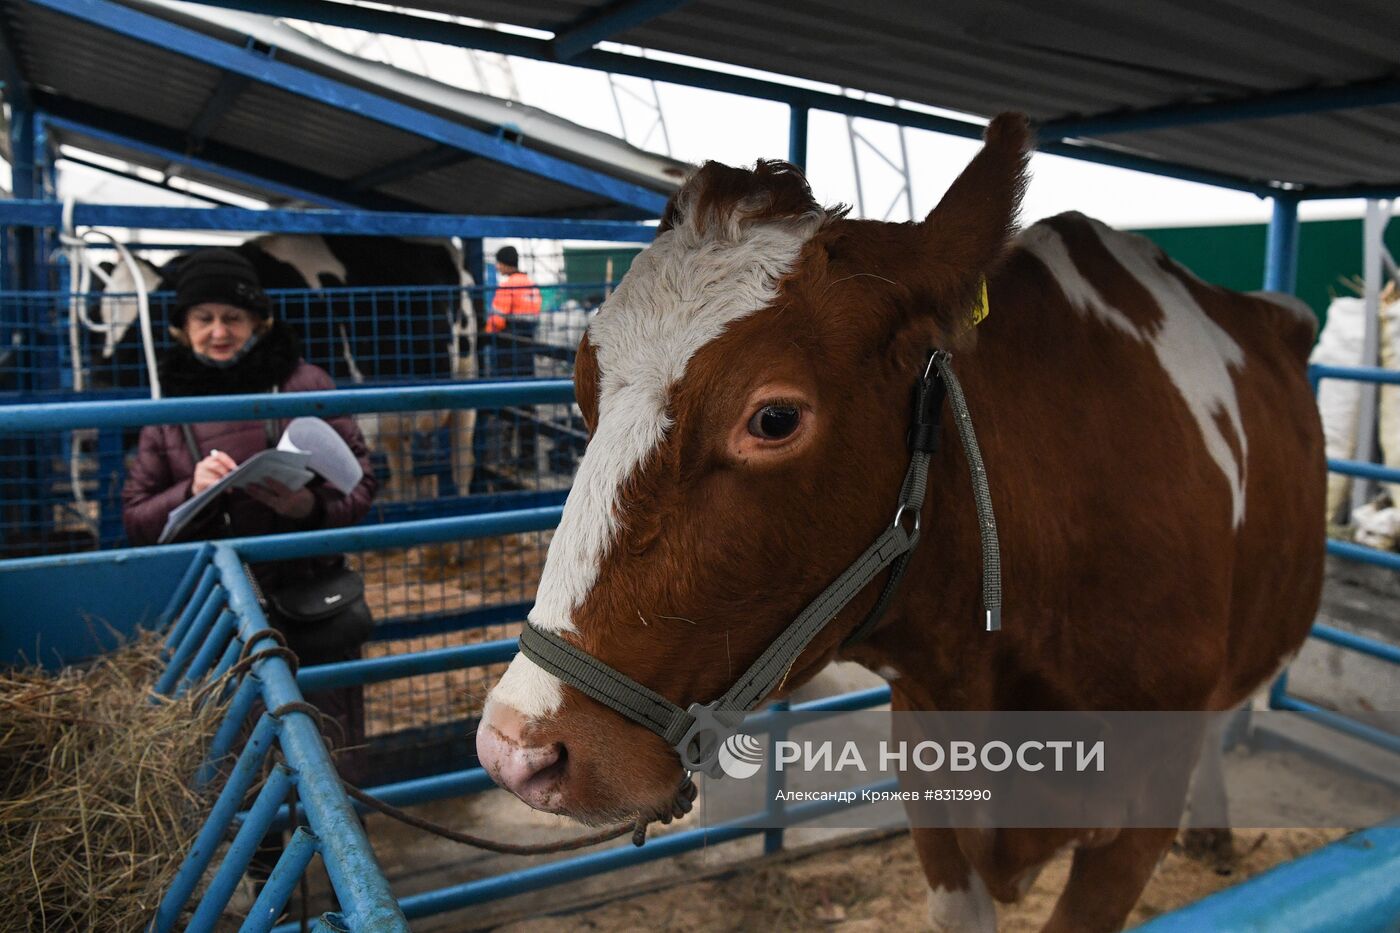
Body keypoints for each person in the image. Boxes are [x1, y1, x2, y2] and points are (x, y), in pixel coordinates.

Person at [121, 247, 378, 779]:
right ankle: (264, 857)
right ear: (180, 328)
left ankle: (336, 855)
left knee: (327, 752)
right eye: (204, 318)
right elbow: (136, 519)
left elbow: (361, 485)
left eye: (233, 318)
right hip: (223, 614)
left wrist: (307, 507)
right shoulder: (167, 410)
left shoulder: (305, 385)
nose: (219, 331)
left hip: (310, 597)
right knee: (244, 757)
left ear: (259, 322)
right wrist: (189, 490)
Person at [486, 245, 541, 378]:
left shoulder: (507, 286)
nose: (497, 267)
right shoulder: (531, 284)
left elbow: (497, 321)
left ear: (505, 264)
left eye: (498, 263)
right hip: (528, 341)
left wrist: (486, 333)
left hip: (508, 345)